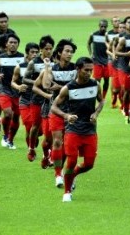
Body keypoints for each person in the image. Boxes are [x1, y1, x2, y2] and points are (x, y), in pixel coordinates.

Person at [50, 57, 105, 202]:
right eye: (86, 70)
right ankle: (67, 192)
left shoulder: (95, 85)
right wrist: (66, 116)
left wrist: (96, 113)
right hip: (73, 131)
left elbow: (102, 100)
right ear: (78, 69)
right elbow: (54, 107)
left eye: (91, 70)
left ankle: (72, 175)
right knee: (72, 160)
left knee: (89, 164)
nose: (89, 73)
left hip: (90, 131)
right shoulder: (68, 88)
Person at [42, 39, 77, 188]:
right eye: (67, 51)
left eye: (71, 52)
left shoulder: (77, 68)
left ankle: (64, 170)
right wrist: (47, 67)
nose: (70, 54)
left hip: (73, 112)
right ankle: (58, 174)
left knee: (69, 145)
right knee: (57, 141)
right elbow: (46, 85)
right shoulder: (52, 69)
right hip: (56, 110)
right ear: (59, 53)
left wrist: (60, 87)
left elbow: (76, 88)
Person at [23, 35, 55, 162]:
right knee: (35, 126)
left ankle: (49, 154)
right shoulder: (33, 63)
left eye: (51, 48)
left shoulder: (55, 62)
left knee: (51, 130)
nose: (49, 51)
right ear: (41, 49)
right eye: (46, 49)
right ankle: (31, 148)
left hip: (50, 100)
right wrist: (38, 82)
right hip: (36, 98)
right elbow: (24, 79)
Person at [0, 33, 24, 149]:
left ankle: (10, 139)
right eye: (10, 42)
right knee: (8, 113)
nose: (13, 45)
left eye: (15, 43)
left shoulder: (22, 58)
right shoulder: (0, 58)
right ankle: (5, 135)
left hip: (17, 90)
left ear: (18, 45)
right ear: (6, 44)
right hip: (4, 88)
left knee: (16, 117)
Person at [11, 42, 40, 154]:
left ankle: (35, 136)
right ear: (27, 53)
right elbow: (13, 81)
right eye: (32, 52)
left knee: (38, 128)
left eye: (37, 52)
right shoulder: (20, 67)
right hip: (25, 100)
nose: (35, 54)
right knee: (29, 125)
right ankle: (31, 150)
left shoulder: (41, 66)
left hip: (39, 100)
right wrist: (18, 86)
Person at [87, 19, 109, 99]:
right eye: (101, 26)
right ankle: (96, 96)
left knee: (106, 80)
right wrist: (91, 53)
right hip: (97, 61)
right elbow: (88, 43)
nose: (103, 28)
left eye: (105, 27)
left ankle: (104, 97)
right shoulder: (93, 35)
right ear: (99, 26)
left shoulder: (108, 36)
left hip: (106, 61)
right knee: (97, 81)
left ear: (107, 27)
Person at [107, 21, 126, 109]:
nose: (122, 29)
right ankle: (114, 97)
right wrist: (113, 55)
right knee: (116, 89)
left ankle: (124, 106)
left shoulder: (128, 39)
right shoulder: (115, 39)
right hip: (116, 65)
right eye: (120, 27)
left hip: (125, 66)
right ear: (118, 29)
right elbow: (107, 50)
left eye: (124, 27)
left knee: (124, 87)